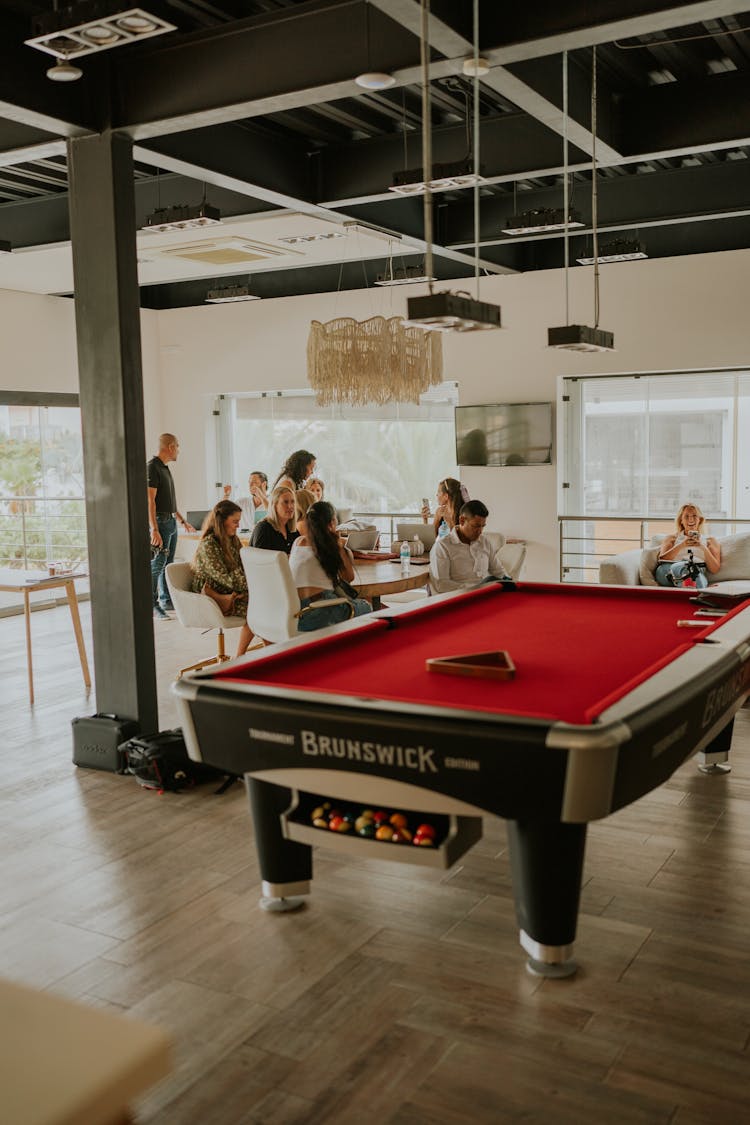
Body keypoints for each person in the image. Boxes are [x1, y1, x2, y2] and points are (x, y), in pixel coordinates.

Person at [289, 500, 372, 631]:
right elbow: (349, 577)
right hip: (320, 611)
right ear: (332, 523)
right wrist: (341, 547)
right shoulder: (331, 546)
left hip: (295, 614)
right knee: (366, 606)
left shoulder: (298, 542)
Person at [190, 500, 255, 656]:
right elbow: (225, 579)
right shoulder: (209, 545)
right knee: (258, 611)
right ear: (222, 521)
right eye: (235, 521)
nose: (238, 525)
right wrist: (251, 586)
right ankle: (243, 657)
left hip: (231, 590)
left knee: (262, 607)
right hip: (211, 597)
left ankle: (246, 657)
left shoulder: (233, 540)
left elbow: (244, 566)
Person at [147, 432, 195, 620]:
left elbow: (169, 501)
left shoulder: (164, 468)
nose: (179, 451)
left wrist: (182, 521)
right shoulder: (152, 468)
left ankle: (167, 600)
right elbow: (150, 501)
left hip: (171, 521)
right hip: (160, 522)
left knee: (168, 563)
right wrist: (154, 529)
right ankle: (152, 605)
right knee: (158, 564)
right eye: (178, 446)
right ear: (171, 446)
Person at [429, 499, 509, 594]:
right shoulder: (443, 546)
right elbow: (441, 585)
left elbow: (498, 571)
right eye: (476, 526)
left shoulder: (484, 542)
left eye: (483, 526)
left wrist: (509, 582)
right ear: (462, 520)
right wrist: (476, 588)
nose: (480, 531)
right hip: (460, 599)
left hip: (486, 595)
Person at [654, 503, 721, 589]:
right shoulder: (672, 538)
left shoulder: (710, 541)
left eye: (694, 516)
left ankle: (687, 585)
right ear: (681, 520)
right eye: (686, 516)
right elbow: (662, 559)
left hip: (696, 571)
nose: (691, 519)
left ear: (699, 520)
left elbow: (714, 569)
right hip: (669, 570)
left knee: (692, 573)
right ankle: (696, 588)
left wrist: (702, 547)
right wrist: (682, 545)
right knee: (685, 569)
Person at [249, 485, 299, 554]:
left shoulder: (292, 530)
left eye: (293, 502)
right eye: (285, 502)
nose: (290, 506)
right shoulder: (263, 528)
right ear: (275, 505)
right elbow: (259, 560)